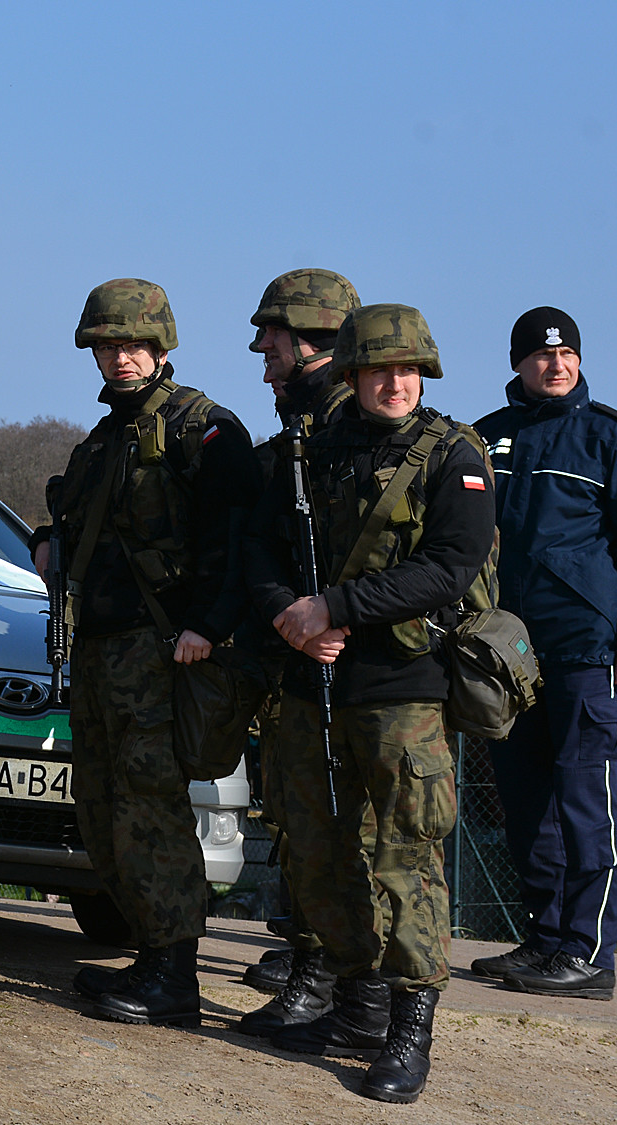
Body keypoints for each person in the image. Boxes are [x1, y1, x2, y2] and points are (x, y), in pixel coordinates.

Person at [248, 303, 494, 1103]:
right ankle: (356, 1002)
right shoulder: (308, 452)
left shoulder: (454, 452)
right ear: (350, 373)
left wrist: (336, 607)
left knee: (406, 860)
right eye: (381, 369)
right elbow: (259, 552)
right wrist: (292, 612)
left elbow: (449, 567)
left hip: (403, 690)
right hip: (310, 683)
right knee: (317, 853)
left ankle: (409, 1024)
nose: (396, 382)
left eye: (409, 369)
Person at [31, 279, 261, 1025]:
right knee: (101, 808)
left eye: (133, 344)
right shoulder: (102, 440)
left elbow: (236, 543)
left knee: (151, 811)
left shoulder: (205, 428)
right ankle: (152, 956)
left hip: (164, 653)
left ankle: (175, 976)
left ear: (161, 347)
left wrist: (207, 625)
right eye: (107, 345)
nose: (120, 357)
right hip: (100, 655)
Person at [472, 307, 617, 999]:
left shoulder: (614, 439)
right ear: (518, 363)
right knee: (526, 803)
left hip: (588, 649)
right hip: (507, 657)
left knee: (591, 804)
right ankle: (546, 938)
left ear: (578, 360)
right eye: (540, 355)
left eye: (566, 355)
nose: (555, 365)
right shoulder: (485, 439)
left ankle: (588, 954)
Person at [235, 268, 382, 1036]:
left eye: (273, 333)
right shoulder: (303, 427)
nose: (261, 347)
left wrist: (328, 616)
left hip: (357, 662)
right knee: (304, 817)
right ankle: (315, 969)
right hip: (304, 647)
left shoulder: (343, 428)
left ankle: (335, 979)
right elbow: (267, 545)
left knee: (336, 825)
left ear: (310, 336)